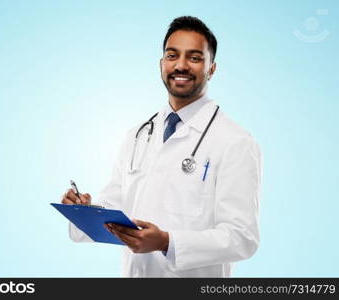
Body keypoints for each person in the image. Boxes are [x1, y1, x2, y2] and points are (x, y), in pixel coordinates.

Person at [61, 16, 262, 277]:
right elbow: (115, 207)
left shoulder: (236, 142)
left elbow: (242, 238)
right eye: (172, 55)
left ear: (212, 68)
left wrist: (167, 242)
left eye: (194, 57)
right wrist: (84, 212)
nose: (181, 65)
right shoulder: (136, 136)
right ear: (161, 63)